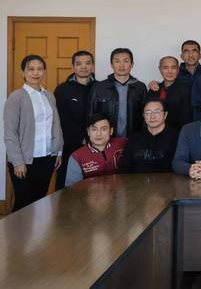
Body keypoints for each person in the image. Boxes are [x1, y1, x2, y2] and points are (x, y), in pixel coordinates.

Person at [3, 55, 63, 211]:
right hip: (25, 161)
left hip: (47, 158)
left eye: (40, 69)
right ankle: (16, 228)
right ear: (23, 72)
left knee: (40, 202)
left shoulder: (49, 96)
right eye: (31, 69)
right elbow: (10, 133)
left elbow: (56, 125)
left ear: (44, 72)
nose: (35, 73)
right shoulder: (16, 97)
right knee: (23, 204)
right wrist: (18, 162)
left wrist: (58, 152)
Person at [54, 50, 95, 190]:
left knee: (93, 187)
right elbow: (61, 119)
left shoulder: (100, 87)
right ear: (73, 67)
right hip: (69, 146)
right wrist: (81, 138)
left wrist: (91, 139)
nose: (84, 67)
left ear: (92, 66)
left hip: (95, 143)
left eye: (88, 63)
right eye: (79, 63)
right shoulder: (62, 89)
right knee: (66, 187)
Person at [88, 47, 147, 137]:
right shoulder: (98, 87)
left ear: (132, 64)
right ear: (112, 65)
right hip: (105, 139)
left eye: (126, 61)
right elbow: (90, 115)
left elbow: (145, 116)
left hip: (133, 138)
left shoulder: (140, 87)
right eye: (117, 61)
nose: (121, 65)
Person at [65, 113, 126, 186]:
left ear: (111, 131)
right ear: (88, 132)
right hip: (90, 192)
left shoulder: (124, 144)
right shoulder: (77, 157)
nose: (98, 134)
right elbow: (72, 189)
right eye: (94, 129)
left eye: (103, 129)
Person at [119, 99, 179, 173]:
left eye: (157, 112)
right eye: (148, 112)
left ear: (165, 115)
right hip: (137, 180)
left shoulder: (177, 137)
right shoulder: (133, 138)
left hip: (167, 179)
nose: (152, 116)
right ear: (144, 116)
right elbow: (124, 167)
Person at [147, 56, 192, 131]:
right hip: (154, 132)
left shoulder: (186, 90)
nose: (170, 71)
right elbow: (147, 113)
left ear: (178, 69)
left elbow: (186, 118)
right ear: (160, 69)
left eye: (173, 68)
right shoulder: (154, 88)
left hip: (177, 133)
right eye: (165, 68)